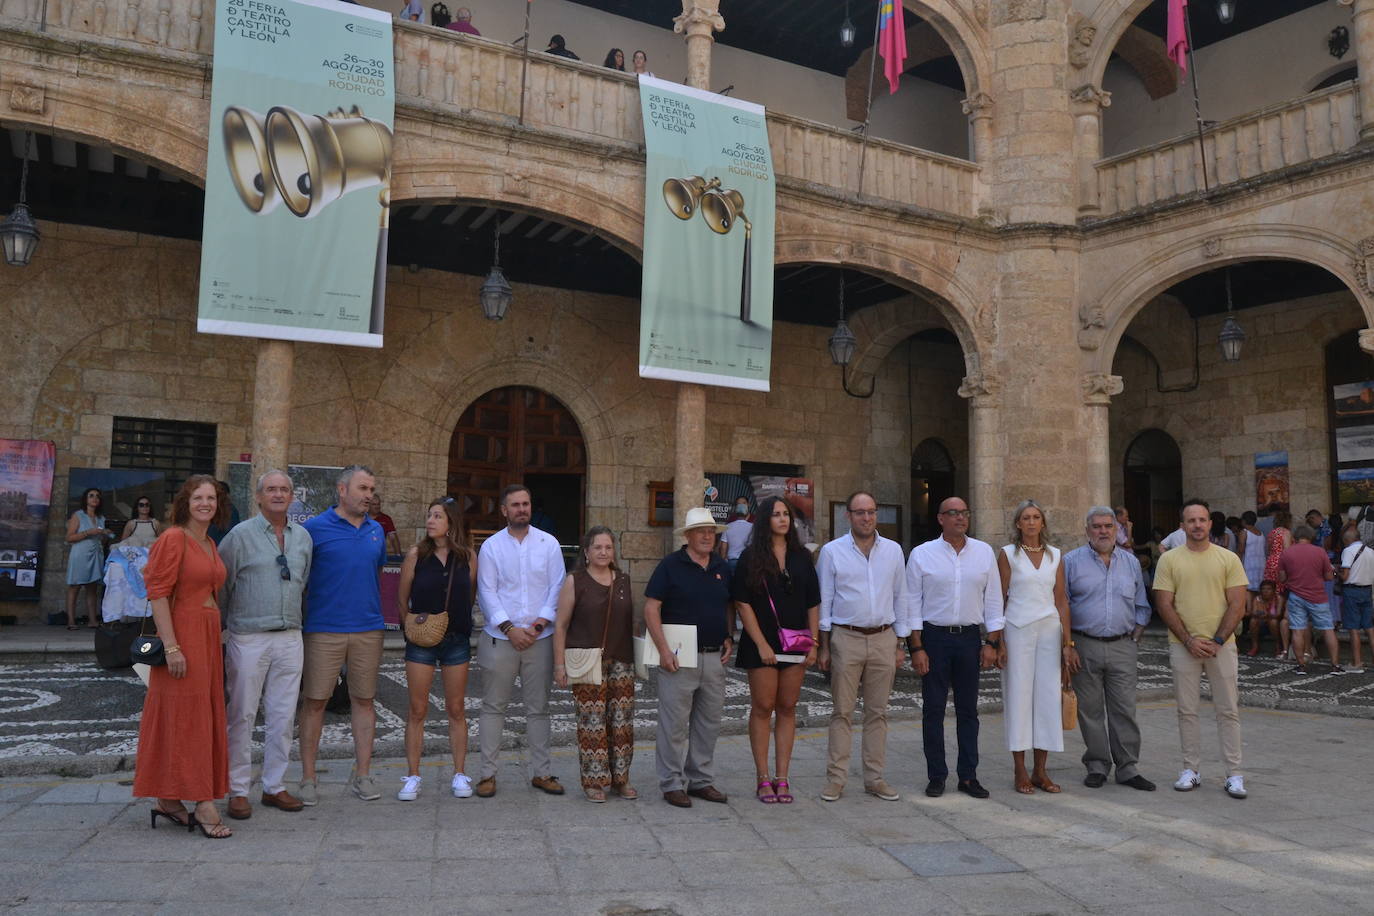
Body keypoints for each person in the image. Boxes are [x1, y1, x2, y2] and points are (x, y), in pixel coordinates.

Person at [132, 474, 232, 838]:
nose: (206, 504)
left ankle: (169, 799)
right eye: (198, 498)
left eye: (212, 498)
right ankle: (203, 801)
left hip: (206, 636)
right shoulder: (174, 538)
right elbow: (157, 593)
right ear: (185, 503)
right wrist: (172, 646)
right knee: (186, 718)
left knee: (196, 716)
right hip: (183, 636)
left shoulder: (208, 542)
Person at [218, 469, 311, 820]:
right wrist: (227, 631)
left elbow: (304, 583)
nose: (278, 494)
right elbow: (222, 588)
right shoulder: (238, 537)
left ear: (292, 497)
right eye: (271, 489)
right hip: (248, 637)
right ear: (258, 497)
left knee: (283, 716)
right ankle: (238, 789)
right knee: (241, 714)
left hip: (290, 636)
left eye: (284, 489)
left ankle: (274, 786)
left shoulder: (302, 537)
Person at [297, 466, 388, 805]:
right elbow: (302, 578)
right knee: (315, 702)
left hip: (368, 629)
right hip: (324, 629)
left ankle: (362, 775)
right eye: (363, 488)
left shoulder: (376, 530)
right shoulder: (314, 529)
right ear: (342, 489)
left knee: (364, 701)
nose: (369, 495)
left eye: (372, 489)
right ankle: (308, 779)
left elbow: (375, 573)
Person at [1152, 499, 1249, 800]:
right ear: (1182, 526)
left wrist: (1218, 640)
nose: (1197, 525)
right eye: (1191, 520)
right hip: (1183, 646)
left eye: (1202, 520)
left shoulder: (1228, 558)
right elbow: (1164, 603)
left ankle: (1234, 774)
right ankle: (1190, 769)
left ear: (1209, 524)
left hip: (1222, 646)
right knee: (1187, 710)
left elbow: (1237, 604)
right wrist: (1189, 640)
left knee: (1228, 710)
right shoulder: (1169, 561)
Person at [907, 496, 1003, 800]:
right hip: (934, 639)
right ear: (940, 519)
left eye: (964, 513)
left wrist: (992, 642)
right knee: (933, 710)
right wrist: (916, 648)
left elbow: (994, 600)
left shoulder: (984, 553)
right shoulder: (922, 555)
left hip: (969, 639)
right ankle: (936, 775)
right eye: (953, 513)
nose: (960, 518)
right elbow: (910, 604)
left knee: (968, 711)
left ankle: (968, 776)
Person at [817, 490, 909, 803]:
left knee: (877, 713)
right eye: (859, 512)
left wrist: (901, 643)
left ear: (876, 513)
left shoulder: (894, 551)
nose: (866, 518)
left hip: (884, 637)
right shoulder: (832, 552)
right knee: (842, 712)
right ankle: (836, 779)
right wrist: (824, 647)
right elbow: (825, 600)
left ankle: (875, 778)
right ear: (849, 516)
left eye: (871, 512)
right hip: (847, 637)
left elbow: (902, 596)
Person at [475, 484, 566, 798]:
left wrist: (539, 624)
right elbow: (486, 591)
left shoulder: (549, 544)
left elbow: (557, 587)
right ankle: (487, 775)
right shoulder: (491, 547)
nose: (521, 509)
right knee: (493, 707)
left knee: (538, 709)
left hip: (540, 639)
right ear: (504, 510)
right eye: (515, 505)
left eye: (526, 503)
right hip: (501, 638)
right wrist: (510, 627)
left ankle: (542, 773)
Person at [731, 496, 820, 805]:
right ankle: (762, 777)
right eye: (777, 514)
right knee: (762, 706)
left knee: (787, 707)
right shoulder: (750, 557)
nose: (783, 519)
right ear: (765, 519)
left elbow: (813, 601)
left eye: (787, 514)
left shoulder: (801, 557)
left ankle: (782, 777)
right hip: (762, 644)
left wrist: (814, 642)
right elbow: (742, 603)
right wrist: (761, 643)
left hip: (796, 642)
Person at [644, 507, 733, 808]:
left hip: (712, 656)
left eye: (712, 531)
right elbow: (651, 608)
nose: (708, 536)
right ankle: (671, 783)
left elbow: (727, 604)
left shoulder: (721, 566)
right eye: (702, 531)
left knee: (708, 722)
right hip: (679, 657)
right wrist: (663, 650)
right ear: (688, 536)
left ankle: (700, 780)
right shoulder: (670, 565)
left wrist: (728, 634)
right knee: (675, 724)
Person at [1063, 507, 1155, 791]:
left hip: (1122, 646)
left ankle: (1127, 768)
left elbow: (1141, 603)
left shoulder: (1130, 563)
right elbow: (1062, 605)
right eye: (1097, 526)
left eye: (1108, 526)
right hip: (1084, 644)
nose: (1103, 531)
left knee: (1124, 709)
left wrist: (1136, 633)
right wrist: (1068, 645)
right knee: (1089, 711)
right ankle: (1097, 765)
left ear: (1117, 530)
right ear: (1087, 530)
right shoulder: (1070, 562)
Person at [395, 497, 477, 801]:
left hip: (455, 639)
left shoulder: (468, 556)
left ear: (451, 522)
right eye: (429, 515)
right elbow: (402, 599)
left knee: (456, 708)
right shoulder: (416, 555)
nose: (430, 521)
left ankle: (459, 773)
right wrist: (413, 627)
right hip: (420, 641)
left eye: (437, 516)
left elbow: (469, 594)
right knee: (417, 709)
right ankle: (413, 775)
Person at [996, 499, 1075, 795]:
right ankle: (1019, 770)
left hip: (1049, 630)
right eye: (1026, 518)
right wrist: (998, 640)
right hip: (1017, 630)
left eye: (1036, 517)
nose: (1031, 522)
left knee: (1047, 698)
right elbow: (1000, 598)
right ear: (1018, 523)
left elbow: (1062, 600)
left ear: (1043, 523)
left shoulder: (1055, 555)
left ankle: (1040, 770)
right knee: (1019, 698)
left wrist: (1068, 642)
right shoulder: (1008, 555)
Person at [552, 526, 636, 803]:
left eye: (608, 547)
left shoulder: (623, 580)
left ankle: (621, 779)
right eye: (597, 547)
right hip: (587, 660)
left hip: (621, 661)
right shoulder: (575, 581)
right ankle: (594, 781)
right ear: (586, 552)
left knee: (621, 724)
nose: (603, 552)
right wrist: (559, 665)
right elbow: (561, 625)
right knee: (591, 724)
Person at [1278, 525, 1340, 674]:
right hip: (1318, 596)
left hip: (1296, 596)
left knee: (1298, 631)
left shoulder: (1286, 553)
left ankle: (1301, 666)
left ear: (1294, 538)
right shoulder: (1320, 552)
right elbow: (1329, 577)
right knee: (1328, 629)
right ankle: (1335, 666)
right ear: (1311, 537)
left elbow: (1282, 578)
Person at [65, 487, 112, 629]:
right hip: (80, 554)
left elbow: (101, 541)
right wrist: (88, 532)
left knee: (92, 588)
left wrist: (104, 534)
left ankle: (92, 620)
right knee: (75, 587)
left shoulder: (101, 518)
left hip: (96, 554)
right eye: (91, 495)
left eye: (97, 496)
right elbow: (69, 538)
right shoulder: (78, 515)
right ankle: (71, 621)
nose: (94, 498)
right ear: (86, 499)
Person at [1339, 526, 1373, 673]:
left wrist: (1336, 573)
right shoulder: (1371, 552)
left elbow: (1345, 576)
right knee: (1370, 629)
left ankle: (1357, 663)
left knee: (1353, 629)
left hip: (1352, 591)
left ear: (1347, 539)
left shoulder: (1348, 551)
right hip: (1367, 590)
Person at [1264, 510, 1293, 627]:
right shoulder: (1286, 532)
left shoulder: (1272, 533)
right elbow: (1287, 551)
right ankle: (1281, 618)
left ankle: (1272, 615)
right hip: (1281, 563)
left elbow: (1268, 550)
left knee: (1273, 590)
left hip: (1271, 562)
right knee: (1283, 590)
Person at [1245, 580, 1282, 658]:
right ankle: (1254, 646)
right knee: (1253, 621)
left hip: (1274, 625)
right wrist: (1259, 614)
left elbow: (1278, 614)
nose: (1266, 591)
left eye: (1269, 589)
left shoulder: (1279, 598)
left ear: (1274, 590)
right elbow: (1253, 612)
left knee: (1273, 622)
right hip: (1261, 623)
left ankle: (1278, 645)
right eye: (1263, 589)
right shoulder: (1257, 599)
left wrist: (1268, 615)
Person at [720, 497, 752, 573]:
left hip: (731, 562)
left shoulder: (728, 527)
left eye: (743, 503)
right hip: (747, 562)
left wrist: (723, 562)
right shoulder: (753, 527)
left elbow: (723, 548)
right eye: (739, 503)